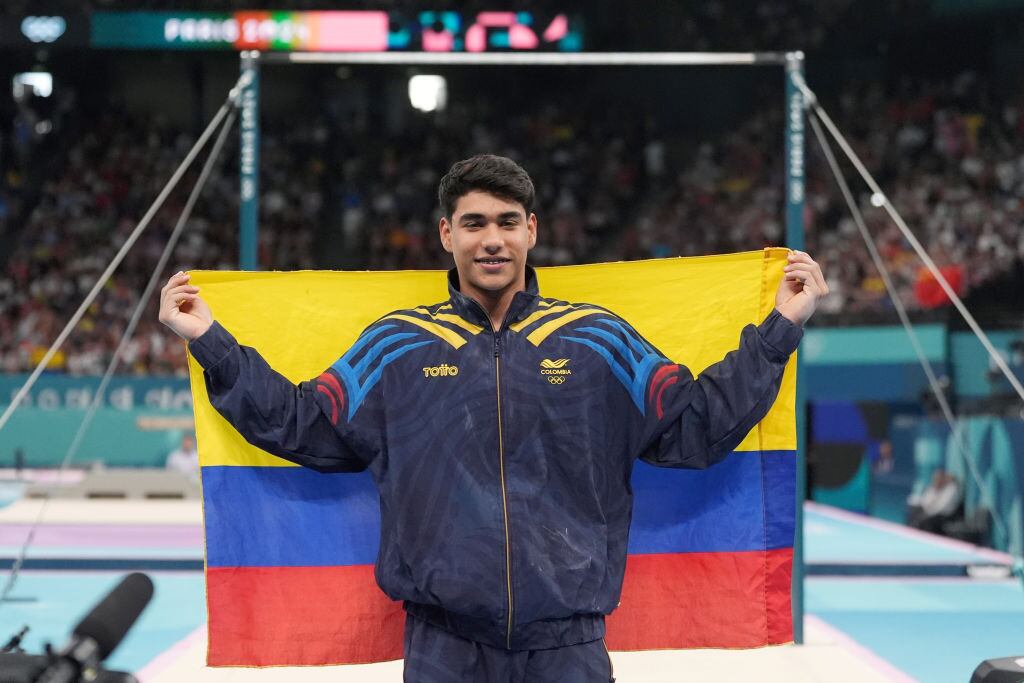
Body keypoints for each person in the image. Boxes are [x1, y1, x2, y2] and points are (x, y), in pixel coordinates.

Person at [159, 155, 827, 682]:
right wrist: (211, 341)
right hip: (442, 647)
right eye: (474, 222)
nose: (492, 239)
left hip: (569, 647)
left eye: (508, 221)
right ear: (446, 234)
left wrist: (778, 330)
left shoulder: (599, 339)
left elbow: (697, 427)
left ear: (532, 231)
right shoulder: (396, 345)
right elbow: (306, 425)